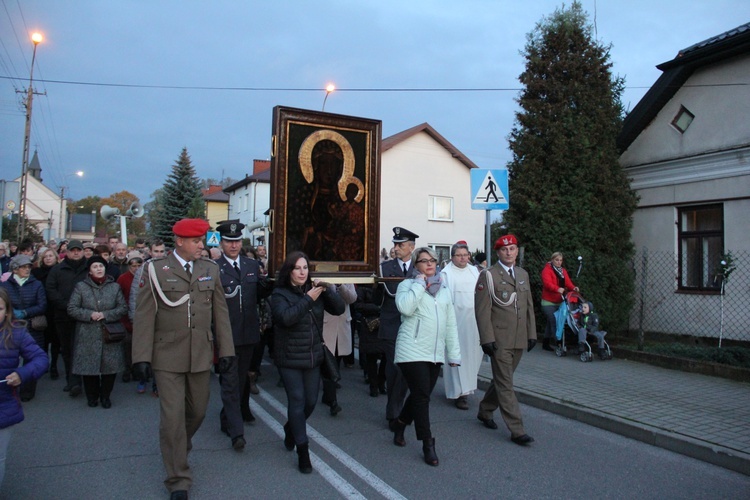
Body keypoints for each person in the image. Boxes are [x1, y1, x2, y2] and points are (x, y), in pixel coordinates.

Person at [132, 219, 235, 500]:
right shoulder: (155, 270)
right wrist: (140, 357)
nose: (202, 245)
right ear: (179, 241)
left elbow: (220, 314)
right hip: (166, 356)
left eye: (202, 240)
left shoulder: (209, 270)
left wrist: (226, 351)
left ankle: (178, 445)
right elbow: (143, 316)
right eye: (196, 241)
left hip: (201, 353)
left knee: (198, 411)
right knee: (172, 419)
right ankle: (178, 479)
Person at [271, 251, 344, 474]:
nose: (303, 272)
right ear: (289, 271)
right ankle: (303, 451)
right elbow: (285, 318)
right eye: (298, 268)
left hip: (313, 356)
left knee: (311, 402)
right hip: (289, 357)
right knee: (297, 400)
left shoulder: (315, 290)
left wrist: (328, 289)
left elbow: (339, 309)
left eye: (305, 268)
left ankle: (292, 428)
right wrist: (308, 299)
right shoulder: (279, 294)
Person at [391, 247, 460, 467]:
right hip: (411, 350)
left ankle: (401, 422)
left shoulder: (444, 289)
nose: (430, 264)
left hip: (435, 352)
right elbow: (405, 308)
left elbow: (450, 324)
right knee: (422, 397)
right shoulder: (407, 285)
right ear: (416, 265)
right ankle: (427, 443)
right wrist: (420, 284)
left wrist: (454, 353)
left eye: (432, 260)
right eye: (424, 261)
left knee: (421, 394)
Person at [214, 220, 271, 451]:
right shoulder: (214, 267)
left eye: (237, 241)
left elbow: (258, 293)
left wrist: (273, 281)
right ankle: (237, 433)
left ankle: (228, 416)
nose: (234, 245)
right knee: (230, 381)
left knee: (240, 379)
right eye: (229, 241)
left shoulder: (250, 264)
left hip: (249, 334)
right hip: (227, 335)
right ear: (221, 242)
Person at [475, 234, 537, 446]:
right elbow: (482, 310)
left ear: (517, 251)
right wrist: (486, 339)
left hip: (519, 337)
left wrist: (532, 333)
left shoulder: (522, 274)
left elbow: (528, 305)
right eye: (504, 249)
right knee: (506, 383)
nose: (509, 252)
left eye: (512, 249)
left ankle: (485, 410)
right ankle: (517, 429)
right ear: (498, 252)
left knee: (503, 379)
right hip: (499, 338)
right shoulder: (489, 275)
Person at [0, 288, 48, 487]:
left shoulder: (16, 333)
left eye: (0, 308)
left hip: (3, 406)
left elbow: (40, 358)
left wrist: (22, 374)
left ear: (7, 310)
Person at [67, 256, 128, 408]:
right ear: (90, 270)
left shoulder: (114, 287)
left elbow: (122, 308)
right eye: (95, 266)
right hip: (87, 333)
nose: (99, 269)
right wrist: (89, 314)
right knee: (89, 367)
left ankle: (105, 396)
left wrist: (106, 314)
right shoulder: (81, 287)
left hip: (110, 333)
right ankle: (92, 396)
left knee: (110, 368)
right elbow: (72, 308)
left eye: (101, 266)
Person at [374, 227, 418, 428]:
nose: (396, 248)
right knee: (395, 370)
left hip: (414, 328)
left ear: (411, 247)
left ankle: (403, 408)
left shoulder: (419, 269)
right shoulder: (385, 268)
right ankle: (394, 413)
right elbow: (378, 299)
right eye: (395, 244)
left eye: (401, 244)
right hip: (392, 327)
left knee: (409, 372)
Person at [440, 241, 482, 410]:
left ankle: (468, 389)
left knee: (472, 356)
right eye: (459, 255)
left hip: (474, 322)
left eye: (466, 255)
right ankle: (458, 393)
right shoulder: (445, 274)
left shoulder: (475, 271)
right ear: (452, 257)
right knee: (456, 357)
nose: (463, 258)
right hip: (455, 322)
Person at [45, 239, 89, 397]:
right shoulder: (57, 269)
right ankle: (72, 381)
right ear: (67, 252)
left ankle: (83, 379)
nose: (76, 253)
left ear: (83, 251)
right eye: (73, 250)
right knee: (67, 349)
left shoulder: (89, 268)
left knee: (82, 349)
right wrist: (66, 305)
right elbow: (50, 289)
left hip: (84, 316)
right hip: (63, 315)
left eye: (79, 250)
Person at [0, 255, 47, 402]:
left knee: (31, 358)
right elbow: (4, 304)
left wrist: (26, 312)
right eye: (23, 267)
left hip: (32, 325)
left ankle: (27, 390)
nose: (27, 269)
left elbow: (42, 305)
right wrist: (11, 313)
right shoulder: (5, 286)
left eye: (28, 267)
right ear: (15, 269)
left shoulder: (36, 284)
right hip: (11, 325)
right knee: (8, 358)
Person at [128, 239, 166, 396]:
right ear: (150, 252)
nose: (158, 254)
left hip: (164, 317)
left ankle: (158, 383)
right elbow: (135, 294)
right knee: (145, 349)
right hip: (146, 316)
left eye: (161, 251)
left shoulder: (169, 268)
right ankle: (142, 379)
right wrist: (133, 316)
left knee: (161, 353)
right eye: (156, 251)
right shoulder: (143, 268)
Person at [321, 283, 357, 416]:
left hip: (342, 324)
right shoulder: (324, 279)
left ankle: (328, 394)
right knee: (329, 362)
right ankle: (332, 401)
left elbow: (352, 298)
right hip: (327, 323)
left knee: (336, 359)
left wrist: (341, 286)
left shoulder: (347, 280)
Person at [540, 252, 579, 351]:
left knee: (551, 322)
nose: (559, 262)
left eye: (560, 260)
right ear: (552, 260)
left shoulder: (563, 271)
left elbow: (568, 282)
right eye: (557, 260)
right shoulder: (547, 270)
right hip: (548, 301)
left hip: (560, 301)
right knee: (555, 321)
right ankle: (559, 343)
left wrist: (573, 288)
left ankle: (545, 343)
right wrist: (557, 289)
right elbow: (547, 284)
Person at [32, 248, 60, 379]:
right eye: (46, 256)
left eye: (51, 256)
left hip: (56, 309)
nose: (48, 258)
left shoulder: (60, 271)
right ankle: (43, 363)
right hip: (41, 310)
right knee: (42, 340)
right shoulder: (36, 273)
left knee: (55, 340)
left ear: (56, 258)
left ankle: (54, 365)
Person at [116, 251, 144, 383]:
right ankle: (127, 369)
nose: (136, 268)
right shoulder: (123, 278)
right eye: (133, 266)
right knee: (127, 345)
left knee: (139, 346)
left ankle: (139, 370)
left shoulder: (145, 277)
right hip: (126, 317)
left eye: (139, 265)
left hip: (142, 316)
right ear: (129, 266)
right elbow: (118, 296)